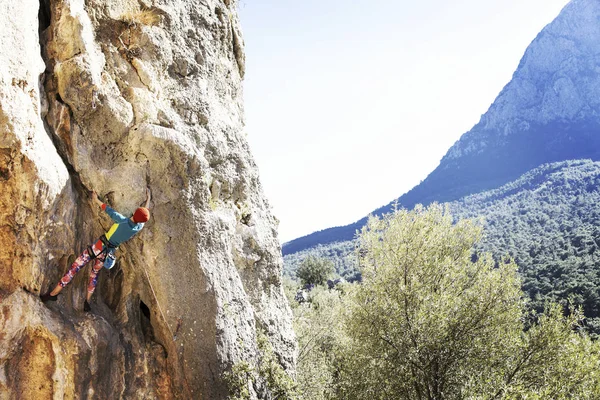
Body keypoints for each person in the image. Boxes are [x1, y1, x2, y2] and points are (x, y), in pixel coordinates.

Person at [41, 188, 151, 311]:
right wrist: (148, 199)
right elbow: (143, 217)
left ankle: (53, 294)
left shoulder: (122, 221)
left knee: (75, 267)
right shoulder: (137, 228)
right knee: (94, 275)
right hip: (107, 254)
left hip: (98, 247)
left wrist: (95, 199)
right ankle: (87, 302)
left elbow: (108, 210)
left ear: (134, 213)